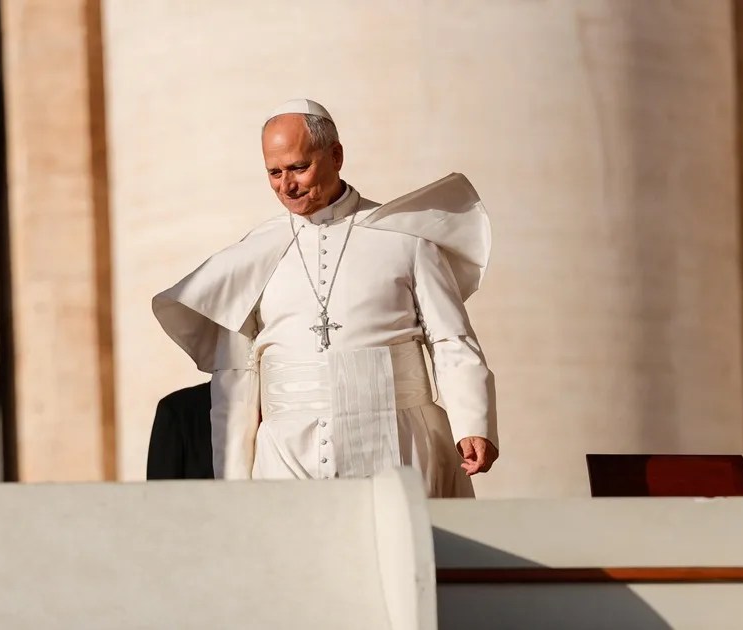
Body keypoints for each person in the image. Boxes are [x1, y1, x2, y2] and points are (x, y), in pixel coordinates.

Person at [153, 99, 497, 497]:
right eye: (274, 173)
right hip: (286, 455)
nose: (287, 185)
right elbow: (236, 375)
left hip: (398, 440)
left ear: (336, 155)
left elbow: (451, 338)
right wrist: (234, 483)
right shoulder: (253, 255)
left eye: (299, 167)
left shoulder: (405, 240)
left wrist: (473, 422)